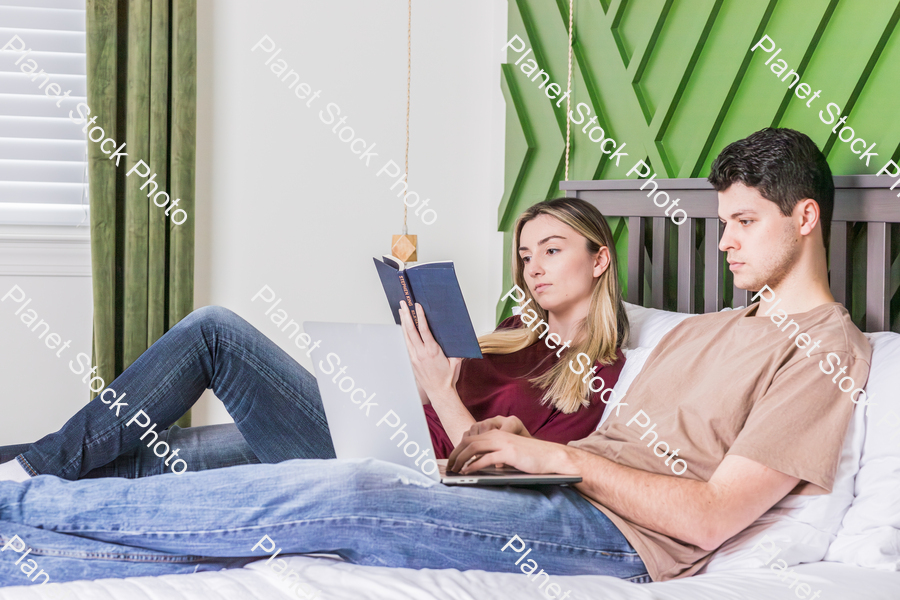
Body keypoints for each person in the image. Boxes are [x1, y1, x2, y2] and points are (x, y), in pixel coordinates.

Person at [0, 128, 871, 588]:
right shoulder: (710, 326)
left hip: (612, 538)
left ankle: (25, 496)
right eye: (720, 224)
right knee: (249, 500)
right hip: (541, 491)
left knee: (345, 496)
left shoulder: (829, 350)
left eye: (744, 224)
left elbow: (716, 517)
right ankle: (20, 539)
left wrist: (548, 455)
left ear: (805, 219)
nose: (724, 244)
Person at [0, 196, 627, 484]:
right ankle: (21, 469)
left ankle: (30, 468)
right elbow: (431, 400)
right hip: (369, 428)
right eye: (525, 255)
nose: (534, 268)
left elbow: (504, 472)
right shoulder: (513, 334)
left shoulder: (600, 373)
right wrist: (412, 370)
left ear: (599, 261)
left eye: (552, 250)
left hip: (395, 464)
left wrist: (440, 390)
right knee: (166, 457)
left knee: (215, 333)